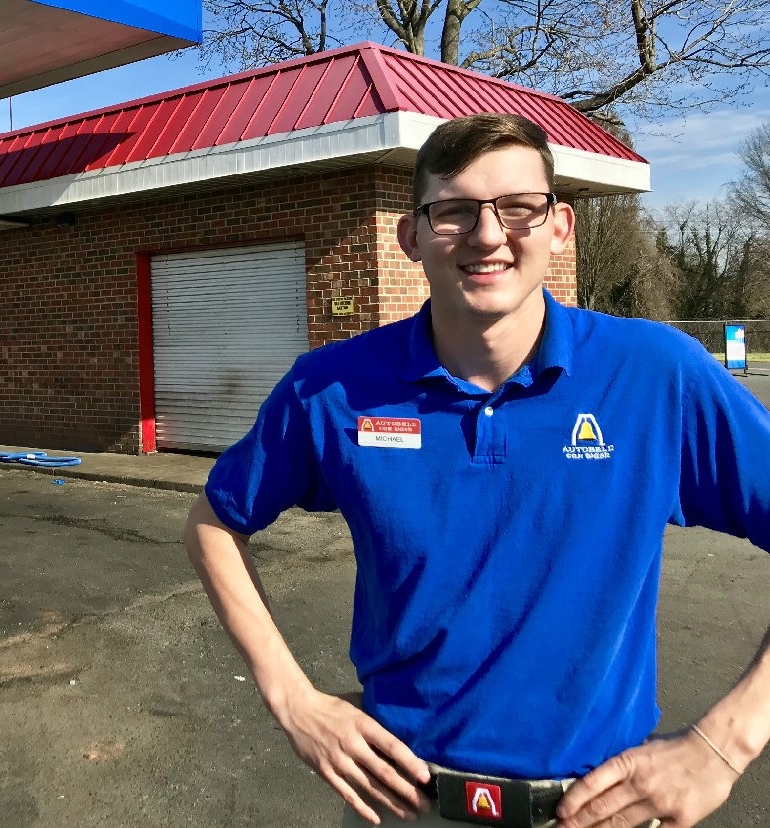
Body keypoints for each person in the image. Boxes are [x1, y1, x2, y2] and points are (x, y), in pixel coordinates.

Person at [184, 112, 770, 828]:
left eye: (518, 207)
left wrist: (725, 744)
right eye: (454, 211)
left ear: (560, 227)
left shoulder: (654, 376)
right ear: (412, 237)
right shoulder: (331, 389)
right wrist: (292, 700)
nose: (488, 235)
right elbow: (213, 523)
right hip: (405, 805)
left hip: (599, 807)